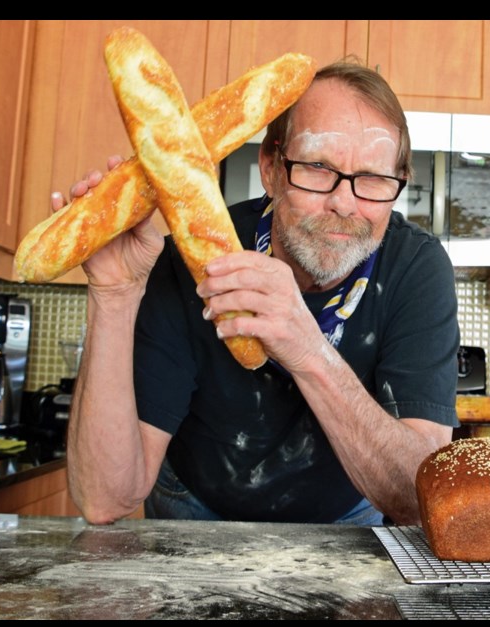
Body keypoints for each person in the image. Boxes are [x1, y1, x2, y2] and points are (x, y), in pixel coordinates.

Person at [59, 61, 460, 527]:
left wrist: (306, 348)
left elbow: (421, 497)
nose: (344, 203)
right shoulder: (189, 259)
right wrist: (115, 292)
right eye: (317, 167)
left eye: (372, 179)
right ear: (270, 169)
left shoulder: (416, 268)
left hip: (346, 516)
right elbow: (105, 500)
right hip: (192, 511)